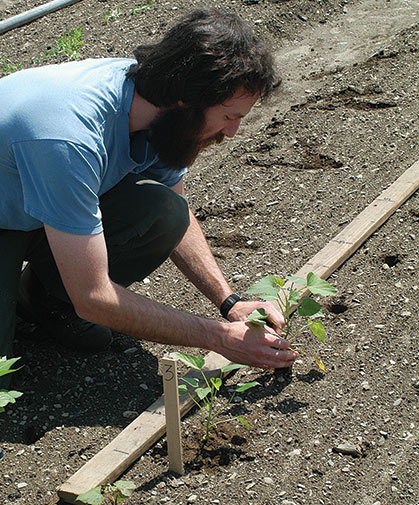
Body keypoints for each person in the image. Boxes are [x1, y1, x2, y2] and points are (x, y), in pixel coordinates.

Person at [0, 8, 297, 389]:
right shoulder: (69, 137)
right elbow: (94, 296)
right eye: (228, 116)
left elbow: (178, 214)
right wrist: (219, 338)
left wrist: (230, 303)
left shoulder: (157, 111)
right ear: (185, 102)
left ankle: (39, 297)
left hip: (31, 203)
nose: (234, 131)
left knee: (164, 212)